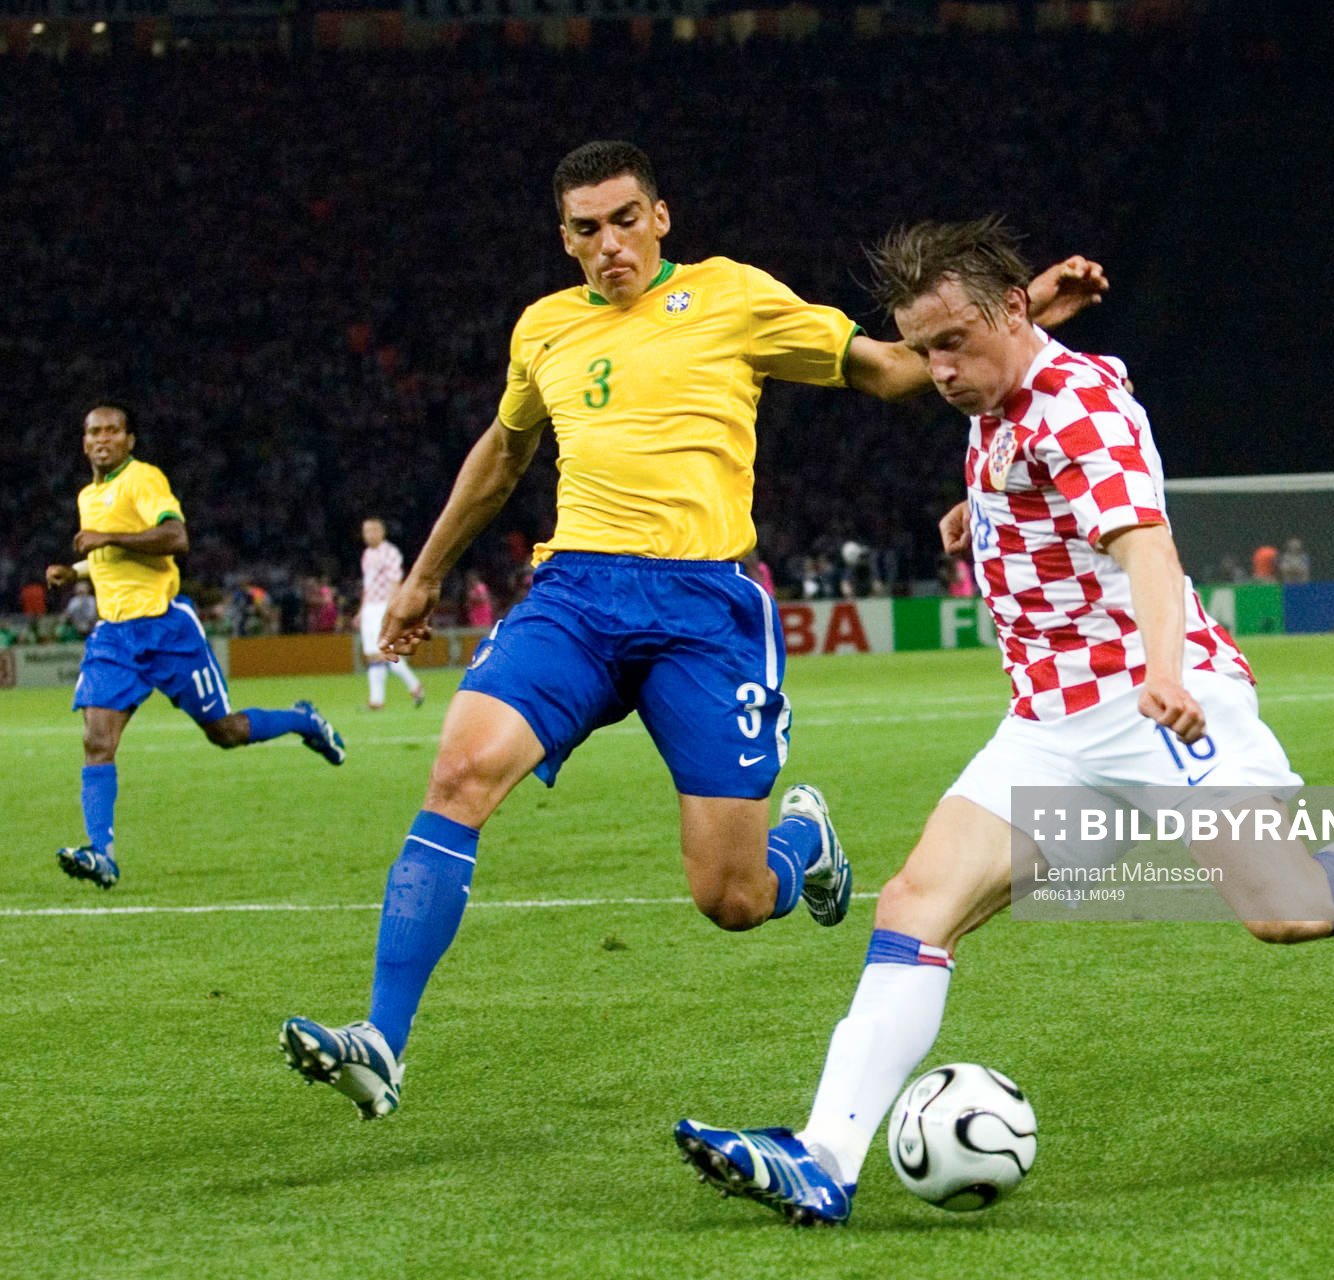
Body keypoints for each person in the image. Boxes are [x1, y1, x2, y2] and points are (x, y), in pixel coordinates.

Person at [671, 219, 1334, 1226]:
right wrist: (984, 506)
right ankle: (825, 1155)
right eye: (923, 349)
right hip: (1049, 724)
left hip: (1158, 702)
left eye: (952, 342)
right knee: (914, 903)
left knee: (1286, 906)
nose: (939, 371)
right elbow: (1014, 404)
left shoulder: (1077, 404)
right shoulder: (1000, 381)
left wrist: (1167, 671)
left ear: (1009, 313)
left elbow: (1142, 538)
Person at [278, 143, 1108, 1120]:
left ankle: (803, 837)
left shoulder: (733, 296)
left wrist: (999, 325)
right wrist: (422, 578)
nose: (608, 243)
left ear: (659, 217)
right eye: (585, 229)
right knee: (460, 770)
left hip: (703, 611)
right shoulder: (543, 329)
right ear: (564, 238)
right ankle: (381, 1039)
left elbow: (885, 372)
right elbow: (503, 454)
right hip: (574, 595)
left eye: (624, 219)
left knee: (734, 897)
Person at [45, 403, 347, 890]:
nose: (102, 439)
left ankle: (303, 720)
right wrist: (74, 570)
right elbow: (110, 556)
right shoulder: (89, 495)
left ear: (129, 440)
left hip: (167, 630)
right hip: (114, 636)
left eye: (112, 431)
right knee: (97, 740)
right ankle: (102, 854)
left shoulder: (143, 479)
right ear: (84, 443)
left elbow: (174, 536)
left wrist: (107, 536)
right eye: (93, 432)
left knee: (225, 732)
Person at [358, 517, 425, 710]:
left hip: (383, 606)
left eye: (372, 530)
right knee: (372, 654)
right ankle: (377, 700)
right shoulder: (367, 554)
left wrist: (392, 608)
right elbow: (367, 585)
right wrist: (361, 610)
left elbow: (395, 582)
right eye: (365, 531)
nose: (368, 534)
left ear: (381, 532)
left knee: (384, 652)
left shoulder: (390, 553)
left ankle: (413, 686)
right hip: (370, 608)